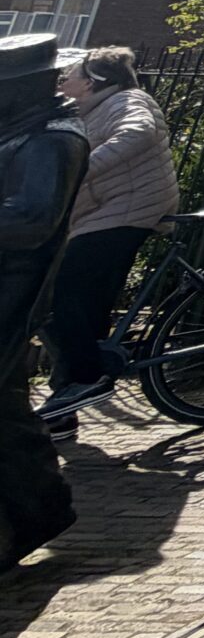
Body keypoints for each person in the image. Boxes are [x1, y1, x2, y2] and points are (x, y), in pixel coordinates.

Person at [42, 46, 178, 414]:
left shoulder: (128, 100)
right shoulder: (87, 109)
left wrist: (82, 166)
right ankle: (66, 400)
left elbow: (138, 132)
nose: (61, 82)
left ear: (91, 82)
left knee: (58, 289)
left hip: (130, 208)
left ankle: (87, 379)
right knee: (81, 305)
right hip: (103, 212)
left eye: (68, 76)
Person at [0, 34, 90, 565]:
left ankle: (40, 509)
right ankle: (40, 509)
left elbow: (33, 219)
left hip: (12, 290)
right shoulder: (20, 130)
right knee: (5, 407)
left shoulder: (54, 140)